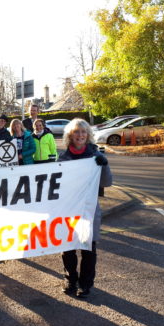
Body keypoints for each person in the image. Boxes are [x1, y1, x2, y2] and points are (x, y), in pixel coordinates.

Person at [59, 118, 112, 298]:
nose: (80, 135)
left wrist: (104, 165)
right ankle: (70, 279)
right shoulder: (63, 158)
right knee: (68, 247)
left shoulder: (95, 156)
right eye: (76, 132)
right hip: (68, 210)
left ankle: (85, 283)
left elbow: (106, 182)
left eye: (83, 132)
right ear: (70, 135)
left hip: (89, 210)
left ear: (88, 134)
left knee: (89, 249)